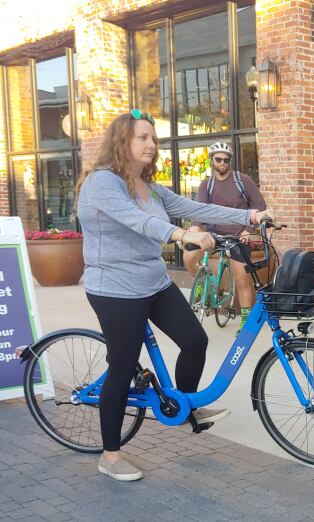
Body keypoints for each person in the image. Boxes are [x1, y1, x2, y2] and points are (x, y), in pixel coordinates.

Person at [75, 110, 274, 482]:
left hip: (154, 282)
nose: (151, 144)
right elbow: (141, 222)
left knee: (194, 340)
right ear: (122, 141)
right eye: (142, 137)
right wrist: (182, 236)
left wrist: (250, 216)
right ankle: (110, 455)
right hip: (116, 289)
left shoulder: (149, 187)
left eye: (154, 138)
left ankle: (183, 408)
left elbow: (194, 207)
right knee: (122, 368)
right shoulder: (103, 183)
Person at [183, 141, 267, 333]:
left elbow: (260, 207)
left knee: (242, 281)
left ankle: (246, 322)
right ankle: (203, 282)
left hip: (238, 236)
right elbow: (199, 211)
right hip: (213, 235)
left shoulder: (242, 180)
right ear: (211, 160)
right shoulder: (207, 184)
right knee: (188, 256)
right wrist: (196, 228)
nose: (222, 163)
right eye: (218, 159)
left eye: (226, 160)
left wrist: (249, 229)